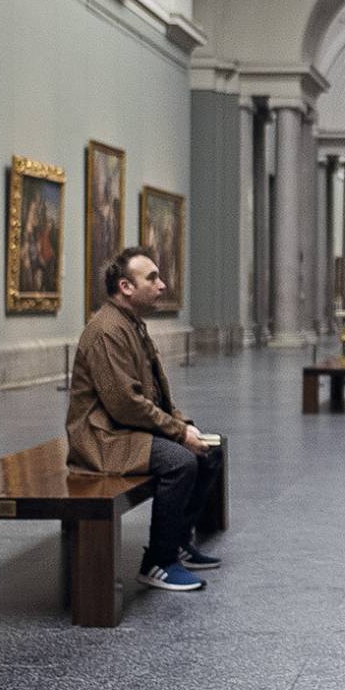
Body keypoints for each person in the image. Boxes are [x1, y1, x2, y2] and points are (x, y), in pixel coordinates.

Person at [66, 246, 223, 592]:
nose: (162, 285)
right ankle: (158, 561)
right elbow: (125, 404)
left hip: (125, 428)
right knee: (181, 461)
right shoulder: (107, 330)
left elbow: (153, 393)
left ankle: (178, 541)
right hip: (102, 438)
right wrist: (179, 434)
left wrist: (183, 423)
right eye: (152, 278)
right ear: (125, 287)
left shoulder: (131, 324)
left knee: (211, 450)